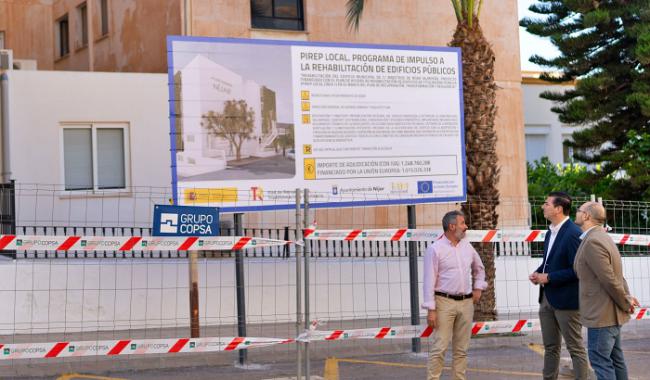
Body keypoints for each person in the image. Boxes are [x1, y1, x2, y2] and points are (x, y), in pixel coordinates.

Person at [573, 201, 640, 380]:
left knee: (601, 361)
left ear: (586, 215)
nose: (577, 213)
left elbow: (609, 279)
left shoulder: (593, 241)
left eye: (579, 210)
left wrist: (626, 301)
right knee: (615, 360)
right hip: (609, 314)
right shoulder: (601, 237)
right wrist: (626, 298)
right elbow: (617, 276)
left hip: (602, 316)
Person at [529, 191, 590, 380]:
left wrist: (549, 277)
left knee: (575, 349)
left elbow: (578, 270)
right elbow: (551, 261)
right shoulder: (550, 232)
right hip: (547, 298)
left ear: (558, 209)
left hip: (567, 301)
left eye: (546, 204)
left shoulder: (573, 233)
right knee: (550, 347)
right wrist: (539, 272)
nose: (543, 207)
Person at [422, 210, 487, 380]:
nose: (466, 227)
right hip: (444, 303)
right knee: (439, 348)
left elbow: (479, 268)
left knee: (461, 350)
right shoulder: (435, 249)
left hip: (466, 303)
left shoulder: (467, 245)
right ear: (452, 227)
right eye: (462, 223)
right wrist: (431, 309)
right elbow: (429, 281)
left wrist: (478, 288)